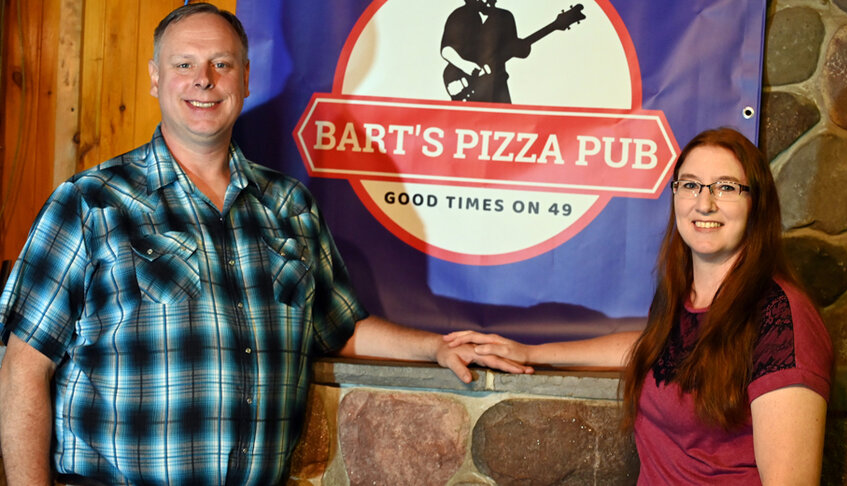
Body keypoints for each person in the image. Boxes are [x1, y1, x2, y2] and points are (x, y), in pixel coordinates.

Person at [0, 4, 530, 485]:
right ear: (155, 79)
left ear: (246, 78)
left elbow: (337, 327)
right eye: (184, 64)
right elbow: (24, 364)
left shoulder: (288, 205)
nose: (203, 80)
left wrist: (434, 346)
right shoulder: (92, 201)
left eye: (222, 64)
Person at [446, 127, 833, 484]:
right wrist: (530, 351)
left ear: (757, 202)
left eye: (726, 187)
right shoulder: (686, 295)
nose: (705, 203)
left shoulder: (781, 318)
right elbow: (652, 346)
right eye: (691, 185)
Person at [440, 0, 531, 102]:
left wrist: (522, 49)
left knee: (502, 117)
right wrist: (469, 67)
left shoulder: (506, 16)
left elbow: (514, 50)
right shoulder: (459, 15)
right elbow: (446, 50)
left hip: (498, 85)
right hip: (466, 84)